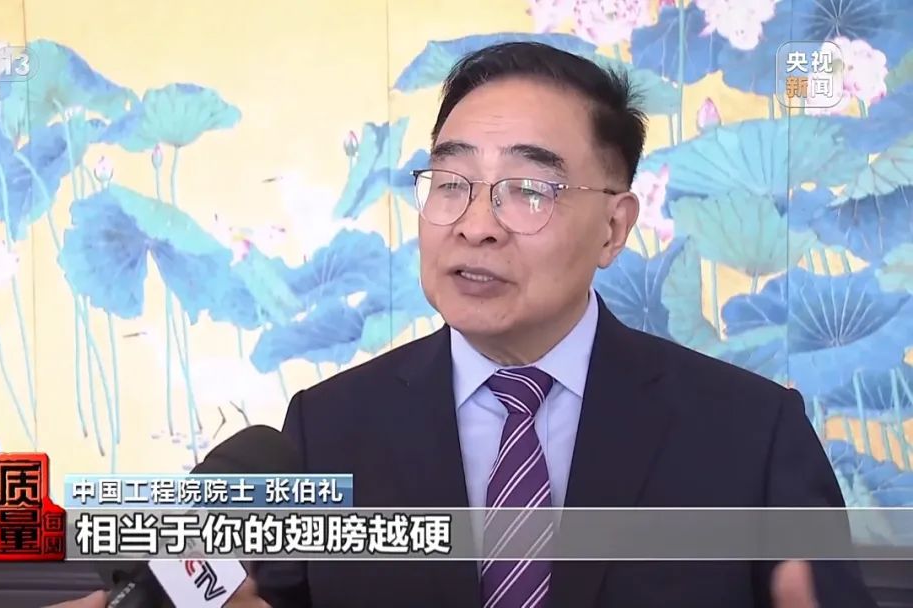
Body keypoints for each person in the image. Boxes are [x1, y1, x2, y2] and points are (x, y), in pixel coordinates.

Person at [50, 42, 877, 608]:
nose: (476, 224)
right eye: (451, 183)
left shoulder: (751, 435)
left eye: (529, 190)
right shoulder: (330, 427)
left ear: (613, 228)